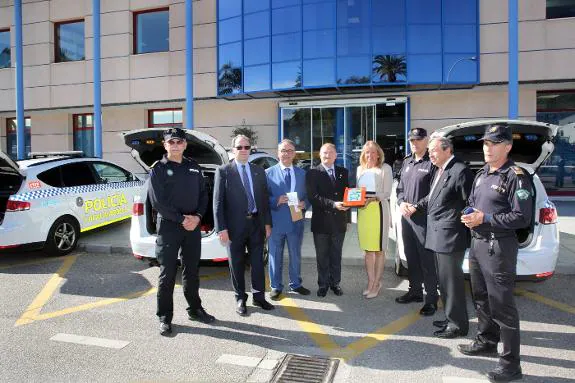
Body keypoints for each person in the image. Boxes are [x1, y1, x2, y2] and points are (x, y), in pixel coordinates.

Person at [459, 124, 533, 382]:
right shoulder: (481, 174)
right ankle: (487, 340)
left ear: (507, 146)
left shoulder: (516, 175)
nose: (487, 148)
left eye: (493, 143)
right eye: (485, 143)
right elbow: (472, 203)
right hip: (478, 244)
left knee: (503, 307)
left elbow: (522, 217)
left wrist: (486, 217)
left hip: (499, 247)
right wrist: (469, 214)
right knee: (481, 297)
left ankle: (511, 365)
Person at [148, 127, 215, 336]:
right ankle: (165, 317)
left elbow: (204, 195)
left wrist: (197, 217)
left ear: (185, 144)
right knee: (167, 273)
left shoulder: (193, 167)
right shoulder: (158, 168)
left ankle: (195, 309)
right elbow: (157, 202)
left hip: (192, 226)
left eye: (179, 142)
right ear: (165, 145)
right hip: (169, 227)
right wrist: (181, 219)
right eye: (171, 142)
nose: (175, 145)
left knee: (192, 271)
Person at [409, 135, 474, 338]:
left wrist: (464, 222)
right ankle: (450, 318)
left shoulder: (460, 171)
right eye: (429, 151)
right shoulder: (441, 170)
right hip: (438, 236)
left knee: (452, 284)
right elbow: (432, 198)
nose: (431, 155)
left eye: (434, 151)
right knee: (444, 283)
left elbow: (469, 203)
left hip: (450, 237)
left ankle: (458, 326)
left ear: (447, 150)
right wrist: (416, 206)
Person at [213, 135, 274, 316]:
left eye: (247, 147)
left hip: (256, 224)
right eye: (239, 147)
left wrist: (268, 223)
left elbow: (264, 200)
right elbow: (217, 203)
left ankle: (259, 296)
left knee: (257, 263)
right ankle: (240, 297)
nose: (243, 150)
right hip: (234, 227)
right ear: (233, 150)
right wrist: (221, 228)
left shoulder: (258, 171)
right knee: (237, 264)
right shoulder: (223, 171)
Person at [395, 128, 439, 316]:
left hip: (423, 219)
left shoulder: (433, 163)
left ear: (426, 141)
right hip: (407, 217)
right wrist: (401, 202)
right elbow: (400, 188)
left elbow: (435, 192)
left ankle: (431, 299)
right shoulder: (407, 162)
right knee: (411, 256)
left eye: (419, 140)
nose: (415, 143)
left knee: (426, 260)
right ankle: (414, 291)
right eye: (412, 140)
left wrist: (416, 206)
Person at [265, 139, 311, 300]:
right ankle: (276, 286)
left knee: (295, 254)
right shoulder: (268, 173)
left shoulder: (302, 173)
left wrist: (305, 203)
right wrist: (276, 201)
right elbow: (263, 198)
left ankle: (296, 284)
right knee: (275, 255)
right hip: (276, 222)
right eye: (283, 150)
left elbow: (308, 196)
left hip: (296, 222)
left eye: (290, 151)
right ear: (278, 153)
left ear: (294, 154)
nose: (286, 153)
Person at [305, 143, 350, 297]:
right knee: (322, 256)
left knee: (336, 255)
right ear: (320, 155)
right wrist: (333, 204)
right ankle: (323, 284)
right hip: (321, 223)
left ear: (336, 155)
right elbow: (313, 197)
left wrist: (348, 212)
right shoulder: (312, 173)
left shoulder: (343, 172)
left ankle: (335, 283)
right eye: (324, 152)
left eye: (331, 152)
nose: (327, 155)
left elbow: (347, 194)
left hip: (339, 222)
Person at [356, 141, 392, 299]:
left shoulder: (385, 169)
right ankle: (370, 282)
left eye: (372, 152)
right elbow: (357, 192)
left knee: (378, 250)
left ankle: (377, 283)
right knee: (368, 251)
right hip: (363, 212)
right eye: (367, 152)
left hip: (378, 210)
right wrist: (355, 199)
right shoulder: (359, 169)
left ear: (378, 154)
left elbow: (387, 192)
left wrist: (374, 197)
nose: (369, 155)